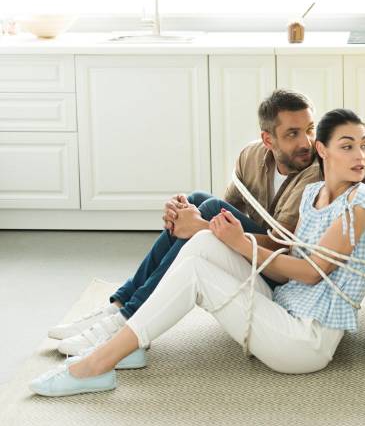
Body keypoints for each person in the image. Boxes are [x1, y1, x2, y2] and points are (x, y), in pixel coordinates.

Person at [30, 108, 365, 396]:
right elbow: (287, 265)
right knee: (202, 243)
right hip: (282, 306)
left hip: (305, 340)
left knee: (199, 268)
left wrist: (240, 243)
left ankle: (97, 364)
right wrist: (219, 233)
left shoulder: (362, 200)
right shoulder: (313, 195)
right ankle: (127, 340)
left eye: (364, 145)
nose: (360, 155)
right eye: (348, 146)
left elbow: (310, 273)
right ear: (323, 150)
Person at [48, 90, 322, 356]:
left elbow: (281, 248)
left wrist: (200, 226)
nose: (307, 142)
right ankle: (120, 304)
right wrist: (181, 212)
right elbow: (226, 209)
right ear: (268, 139)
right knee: (198, 200)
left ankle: (128, 318)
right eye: (292, 134)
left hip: (281, 275)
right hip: (253, 256)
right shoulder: (250, 157)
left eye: (310, 129)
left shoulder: (314, 176)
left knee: (208, 209)